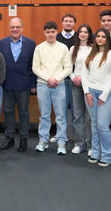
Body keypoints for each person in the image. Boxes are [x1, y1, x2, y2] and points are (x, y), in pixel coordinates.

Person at [32, 21, 72, 155]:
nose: (50, 34)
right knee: (44, 115)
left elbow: (68, 68)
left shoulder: (63, 48)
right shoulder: (39, 48)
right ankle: (43, 140)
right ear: (44, 33)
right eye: (47, 32)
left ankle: (61, 141)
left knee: (61, 115)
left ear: (57, 32)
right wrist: (48, 78)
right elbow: (35, 68)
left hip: (59, 85)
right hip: (43, 85)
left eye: (52, 32)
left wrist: (56, 79)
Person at [82, 28, 111, 167]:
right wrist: (87, 92)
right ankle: (96, 152)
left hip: (108, 94)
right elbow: (84, 74)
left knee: (103, 125)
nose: (100, 38)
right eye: (98, 36)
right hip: (91, 93)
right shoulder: (90, 54)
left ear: (108, 39)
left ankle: (107, 155)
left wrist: (104, 95)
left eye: (103, 36)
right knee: (94, 124)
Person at [0, 17, 36, 153]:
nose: (15, 29)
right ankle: (9, 138)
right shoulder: (2, 43)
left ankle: (23, 139)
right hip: (7, 83)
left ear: (22, 28)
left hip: (24, 84)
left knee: (23, 112)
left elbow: (33, 65)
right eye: (12, 27)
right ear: (9, 28)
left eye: (17, 27)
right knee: (8, 111)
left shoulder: (31, 43)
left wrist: (33, 84)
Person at [69, 24, 93, 154]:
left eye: (86, 32)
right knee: (77, 115)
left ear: (89, 34)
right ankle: (79, 143)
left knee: (89, 117)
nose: (83, 34)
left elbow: (94, 68)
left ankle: (91, 145)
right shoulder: (73, 48)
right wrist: (73, 78)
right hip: (76, 84)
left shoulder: (93, 49)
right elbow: (68, 67)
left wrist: (84, 80)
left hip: (89, 85)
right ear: (78, 34)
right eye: (81, 32)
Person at [54, 13, 77, 143]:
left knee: (75, 110)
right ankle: (59, 134)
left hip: (74, 79)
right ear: (62, 23)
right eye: (66, 21)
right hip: (60, 79)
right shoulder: (56, 38)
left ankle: (75, 135)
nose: (68, 23)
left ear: (74, 23)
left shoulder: (79, 38)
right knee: (60, 110)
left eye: (71, 21)